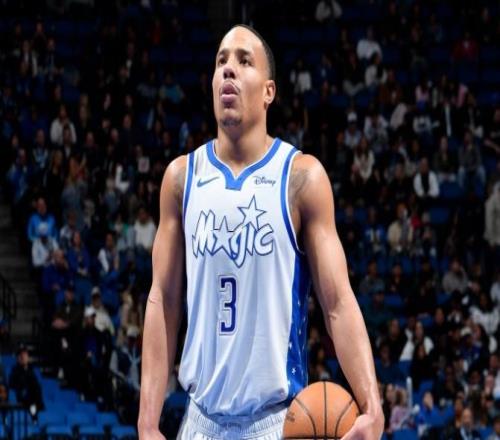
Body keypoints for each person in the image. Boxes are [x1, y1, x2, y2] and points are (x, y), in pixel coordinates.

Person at [138, 25, 383, 440]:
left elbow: (338, 302)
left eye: (244, 60)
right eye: (221, 60)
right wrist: (147, 422)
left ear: (269, 91)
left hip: (275, 421)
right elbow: (163, 300)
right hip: (198, 421)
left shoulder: (301, 178)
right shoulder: (180, 178)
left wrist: (373, 406)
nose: (228, 69)